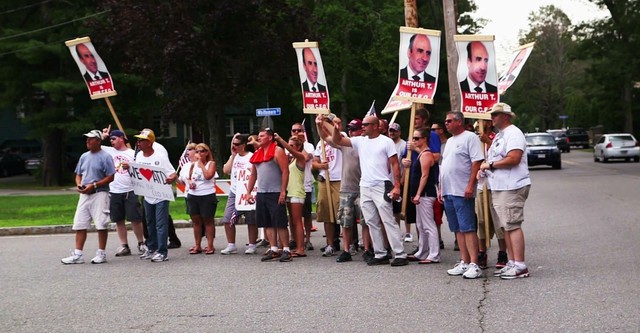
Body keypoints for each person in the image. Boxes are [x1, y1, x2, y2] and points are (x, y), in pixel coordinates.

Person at [332, 115, 408, 267]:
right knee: (371, 221)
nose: (363, 127)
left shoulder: (386, 141)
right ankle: (380, 253)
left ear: (375, 126)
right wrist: (335, 128)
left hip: (381, 184)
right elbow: (338, 141)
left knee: (387, 219)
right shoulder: (360, 141)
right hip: (364, 185)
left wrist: (397, 186)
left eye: (366, 125)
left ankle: (400, 253)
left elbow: (394, 164)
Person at [479, 103, 532, 279]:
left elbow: (514, 158)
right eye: (492, 114)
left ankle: (520, 265)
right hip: (500, 186)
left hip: (512, 186)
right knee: (505, 226)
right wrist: (486, 167)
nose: (492, 117)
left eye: (496, 114)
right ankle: (512, 261)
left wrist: (492, 165)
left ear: (506, 116)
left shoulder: (514, 133)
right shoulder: (500, 136)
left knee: (512, 224)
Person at [440, 111, 484, 279]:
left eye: (450, 120)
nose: (447, 123)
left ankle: (474, 263)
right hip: (448, 190)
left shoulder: (470, 137)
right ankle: (464, 261)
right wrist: (441, 189)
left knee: (467, 227)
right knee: (457, 228)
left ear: (459, 122)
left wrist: (470, 184)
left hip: (462, 190)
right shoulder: (450, 141)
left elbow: (476, 162)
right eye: (446, 121)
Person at [61, 130, 115, 265]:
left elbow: (111, 176)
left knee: (101, 224)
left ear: (98, 141)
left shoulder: (105, 157)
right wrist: (79, 184)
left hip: (100, 194)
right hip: (85, 194)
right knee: (80, 223)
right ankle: (78, 254)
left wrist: (95, 185)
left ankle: (101, 253)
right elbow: (78, 174)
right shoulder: (84, 156)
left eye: (91, 139)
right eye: (87, 139)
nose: (87, 141)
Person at [246, 128, 292, 262]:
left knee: (280, 222)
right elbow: (253, 174)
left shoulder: (278, 151)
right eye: (259, 136)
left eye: (262, 136)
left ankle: (286, 250)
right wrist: (249, 192)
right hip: (262, 192)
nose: (259, 138)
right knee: (267, 222)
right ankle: (273, 248)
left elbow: (285, 172)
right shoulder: (257, 153)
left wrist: (283, 191)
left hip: (275, 191)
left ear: (270, 137)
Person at [100, 129, 147, 257]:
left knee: (135, 218)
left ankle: (141, 243)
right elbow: (95, 145)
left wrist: (131, 166)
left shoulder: (133, 153)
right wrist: (103, 136)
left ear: (121, 138)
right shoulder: (109, 151)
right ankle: (124, 245)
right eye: (110, 139)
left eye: (114, 139)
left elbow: (142, 171)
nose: (111, 141)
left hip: (130, 190)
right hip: (114, 190)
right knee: (118, 219)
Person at [133, 129, 177, 262]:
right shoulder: (139, 156)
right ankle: (151, 248)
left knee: (160, 224)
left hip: (161, 195)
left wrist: (171, 178)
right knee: (150, 223)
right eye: (138, 140)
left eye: (141, 140)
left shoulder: (160, 157)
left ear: (149, 142)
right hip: (148, 195)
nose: (138, 143)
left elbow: (173, 173)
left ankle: (162, 252)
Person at [474, 120, 508, 269]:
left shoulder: (497, 137)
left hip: (495, 185)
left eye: (480, 122)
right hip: (481, 185)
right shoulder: (475, 140)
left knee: (499, 221)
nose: (477, 125)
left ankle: (503, 253)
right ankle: (482, 252)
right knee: (481, 221)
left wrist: (487, 140)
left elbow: (500, 155)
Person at [405, 128, 439, 264]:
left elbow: (425, 176)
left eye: (417, 138)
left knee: (428, 225)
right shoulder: (421, 154)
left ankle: (434, 254)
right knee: (420, 224)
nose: (414, 141)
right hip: (420, 194)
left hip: (425, 194)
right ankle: (423, 251)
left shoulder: (426, 154)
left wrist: (418, 193)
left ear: (425, 139)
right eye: (413, 138)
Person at [221, 134, 259, 255]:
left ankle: (252, 244)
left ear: (244, 145)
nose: (234, 146)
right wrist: (232, 156)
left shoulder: (251, 157)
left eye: (237, 144)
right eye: (233, 144)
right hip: (234, 192)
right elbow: (226, 170)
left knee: (251, 219)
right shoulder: (235, 157)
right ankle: (231, 245)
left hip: (248, 191)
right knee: (228, 218)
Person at [274, 134, 310, 257]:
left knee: (297, 221)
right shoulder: (291, 160)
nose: (289, 148)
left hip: (297, 192)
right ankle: (296, 244)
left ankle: (301, 248)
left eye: (292, 145)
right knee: (292, 221)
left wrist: (280, 140)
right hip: (289, 192)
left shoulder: (300, 158)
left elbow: (292, 152)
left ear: (298, 146)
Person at [178, 143, 217, 255]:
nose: (199, 153)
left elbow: (208, 176)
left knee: (208, 220)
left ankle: (210, 245)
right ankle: (197, 245)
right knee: (196, 221)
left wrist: (201, 165)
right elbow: (189, 178)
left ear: (207, 153)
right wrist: (190, 182)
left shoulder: (211, 163)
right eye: (197, 151)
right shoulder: (192, 165)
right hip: (193, 195)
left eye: (202, 151)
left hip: (207, 195)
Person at [312, 117, 343, 257]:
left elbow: (338, 137)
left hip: (339, 179)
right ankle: (330, 244)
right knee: (326, 212)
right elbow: (314, 162)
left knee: (342, 213)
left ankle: (350, 243)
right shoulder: (321, 143)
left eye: (327, 123)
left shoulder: (342, 137)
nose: (324, 125)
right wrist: (320, 166)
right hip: (325, 179)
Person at [290, 123, 316, 250]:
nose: (296, 132)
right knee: (292, 216)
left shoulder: (308, 146)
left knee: (306, 214)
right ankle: (293, 238)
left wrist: (302, 142)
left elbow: (305, 158)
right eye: (294, 130)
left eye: (299, 130)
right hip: (291, 185)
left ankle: (308, 239)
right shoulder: (289, 145)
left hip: (305, 184)